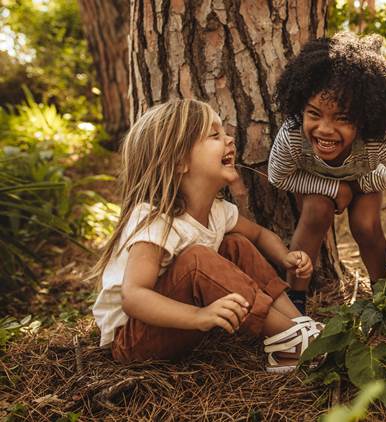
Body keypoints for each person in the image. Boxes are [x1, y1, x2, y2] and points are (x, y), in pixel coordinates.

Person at [92, 99, 321, 373]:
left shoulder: (218, 212)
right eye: (214, 135)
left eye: (224, 133)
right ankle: (290, 341)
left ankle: (297, 326)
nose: (229, 140)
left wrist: (285, 257)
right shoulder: (156, 220)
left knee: (236, 244)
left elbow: (259, 235)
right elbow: (134, 297)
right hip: (134, 339)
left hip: (176, 325)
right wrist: (199, 316)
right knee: (198, 259)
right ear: (179, 161)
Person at [268, 32, 386, 313]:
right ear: (300, 107)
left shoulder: (376, 140)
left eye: (342, 118)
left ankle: (384, 297)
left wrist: (365, 182)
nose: (325, 129)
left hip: (363, 181)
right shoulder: (292, 135)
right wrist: (333, 189)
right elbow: (278, 176)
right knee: (316, 211)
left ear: (364, 119)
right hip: (316, 184)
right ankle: (295, 301)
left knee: (365, 225)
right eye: (314, 114)